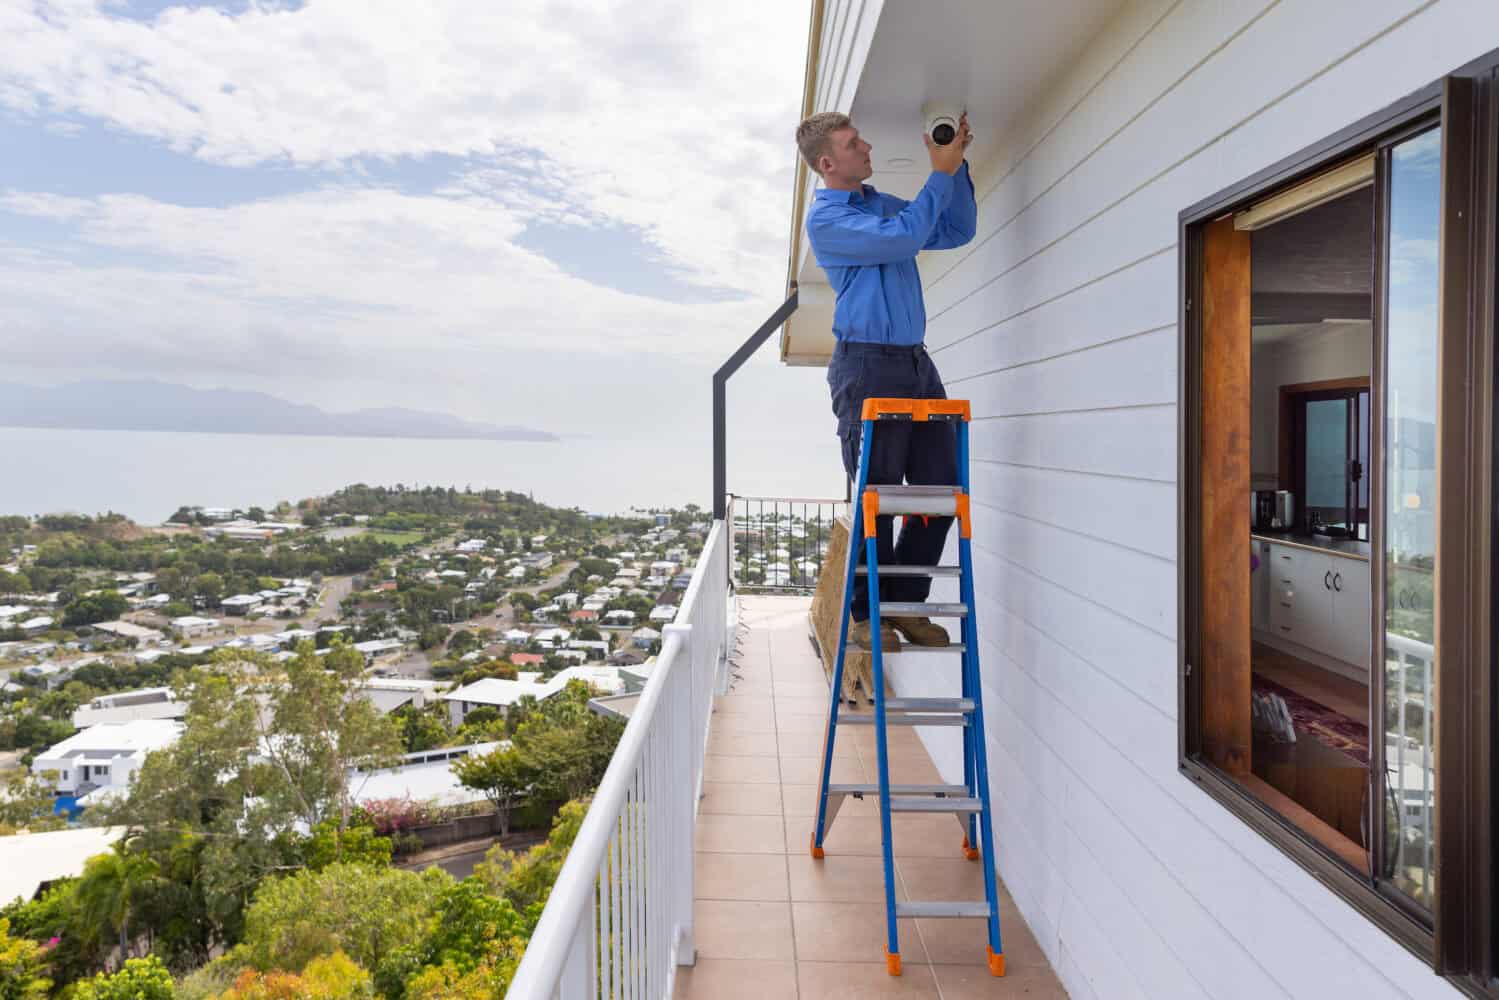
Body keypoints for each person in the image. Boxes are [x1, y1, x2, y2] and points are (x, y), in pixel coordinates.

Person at [795, 110, 977, 653]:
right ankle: (861, 613)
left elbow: (953, 229)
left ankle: (903, 605)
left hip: (916, 363)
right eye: (854, 143)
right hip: (868, 364)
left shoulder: (878, 205)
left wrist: (956, 167)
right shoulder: (827, 219)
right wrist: (937, 175)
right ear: (829, 162)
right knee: (878, 495)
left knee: (938, 490)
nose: (866, 146)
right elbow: (903, 238)